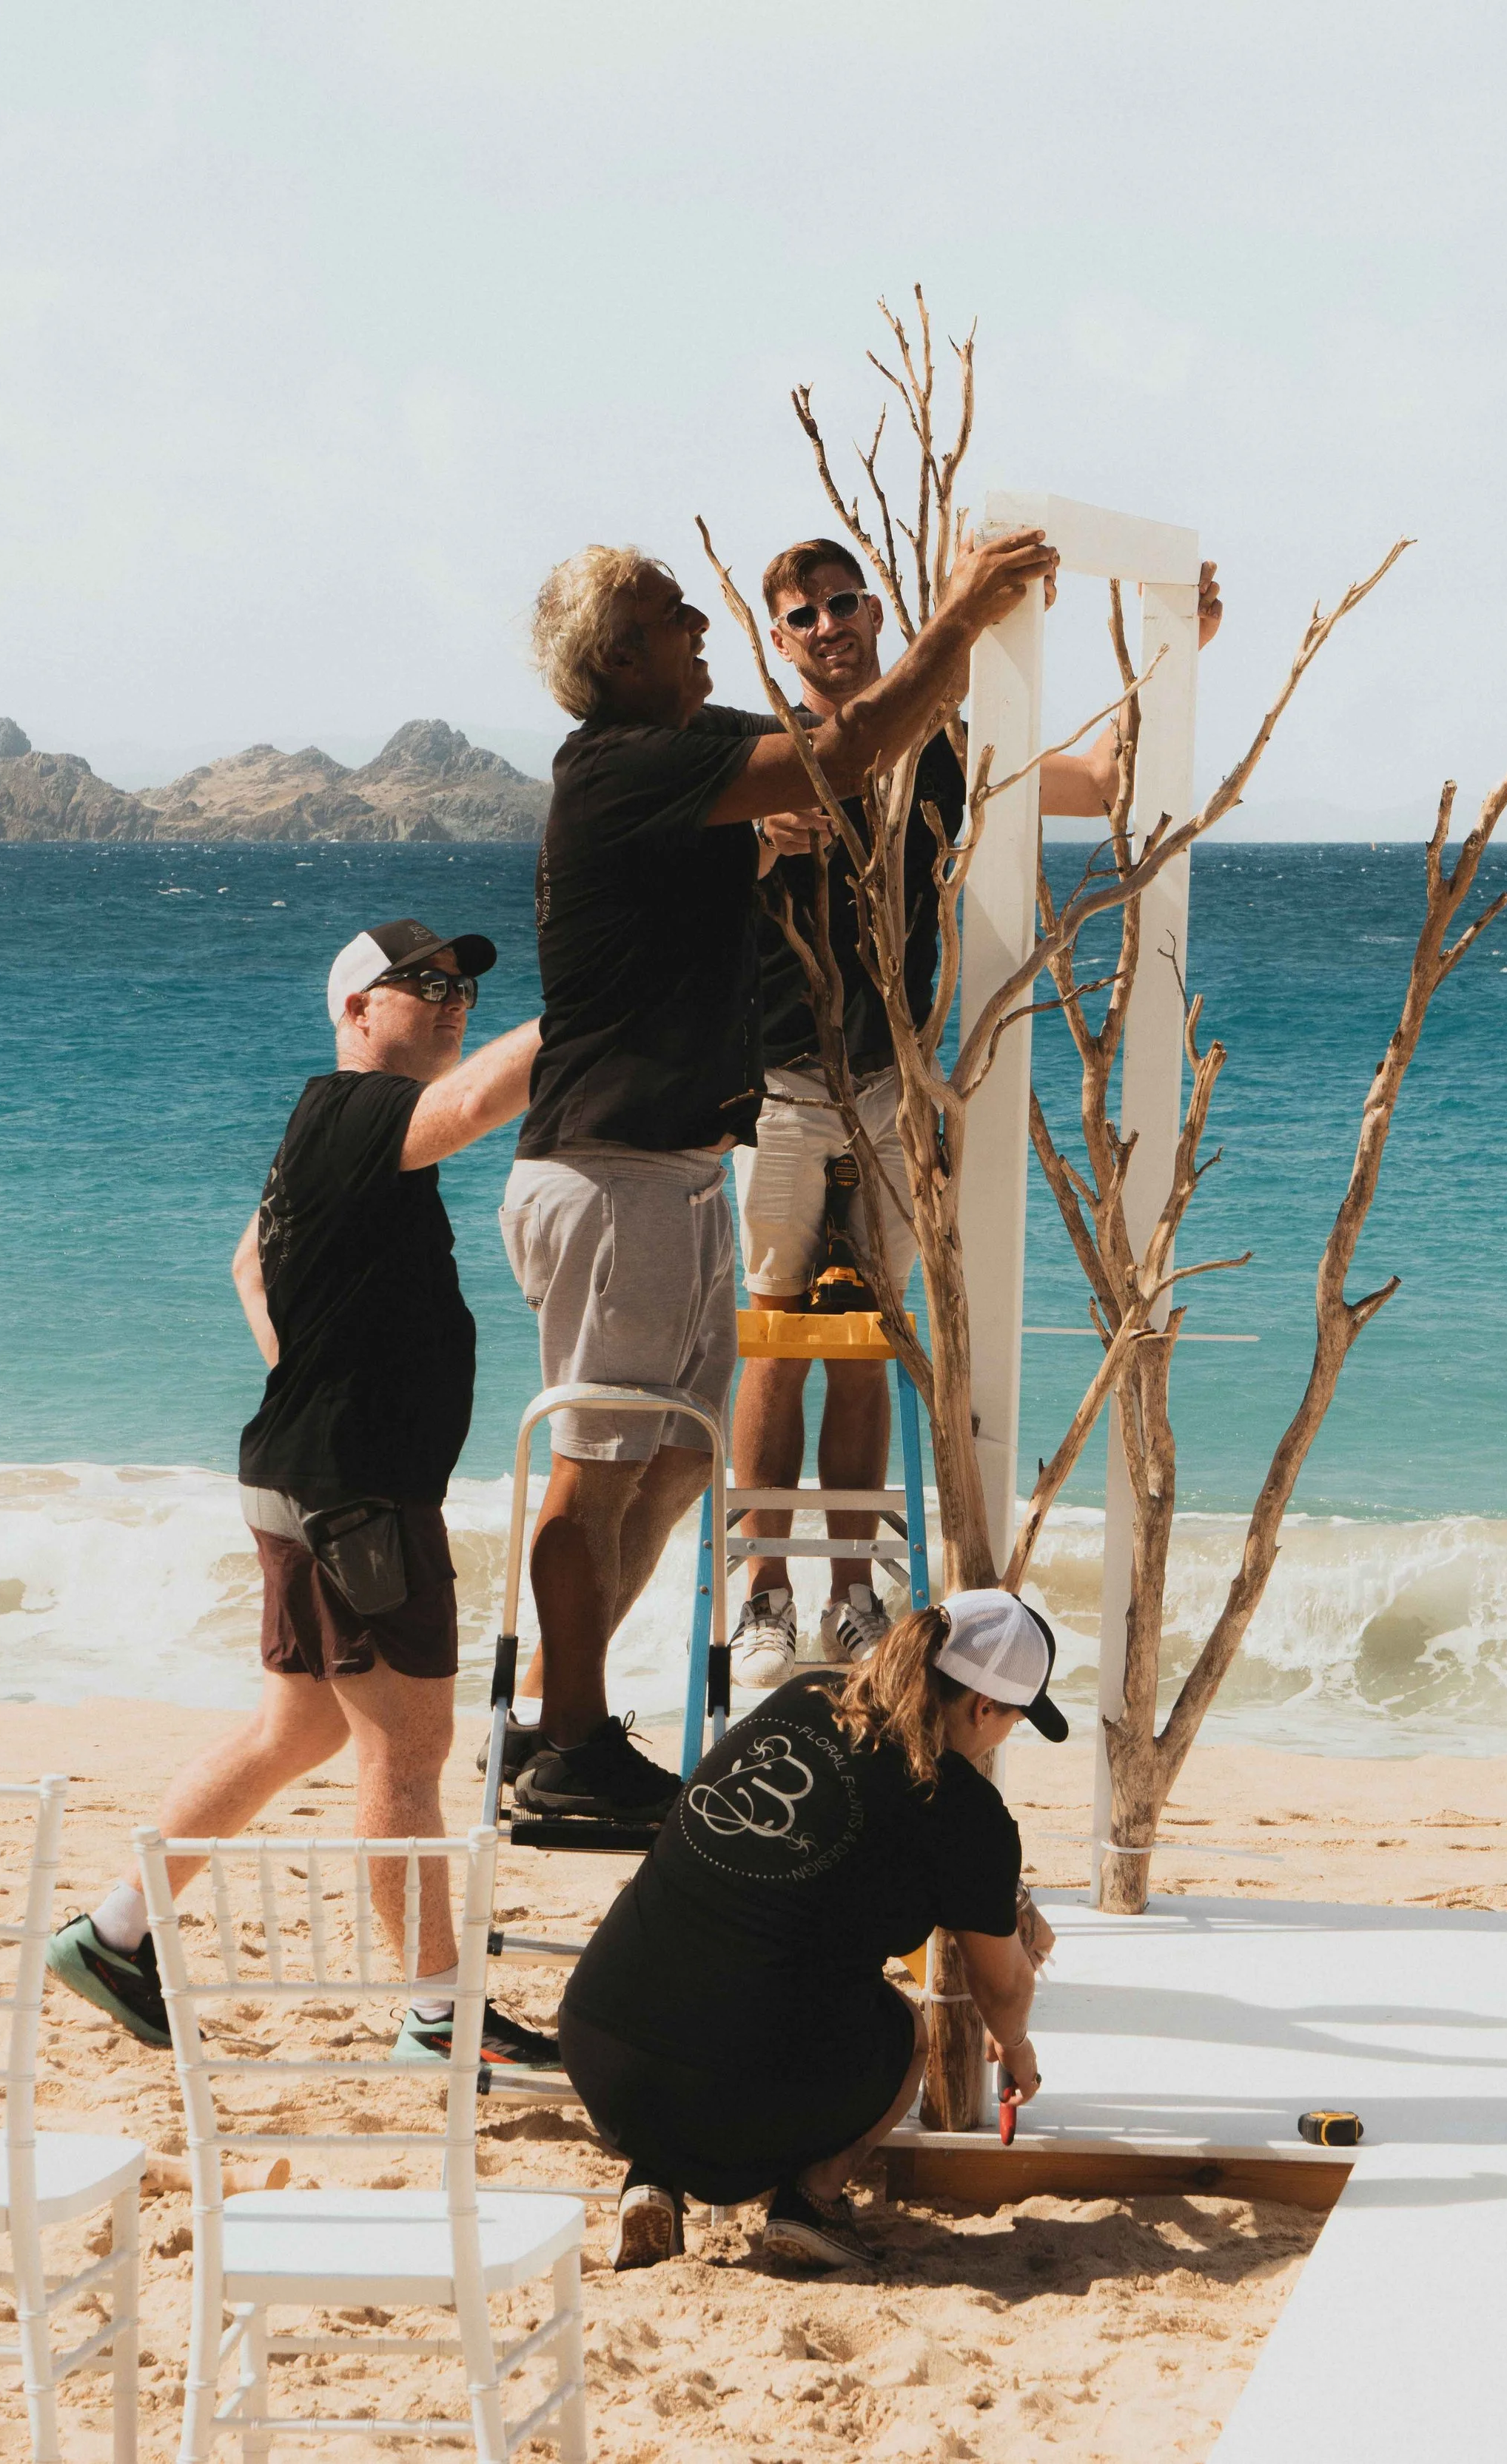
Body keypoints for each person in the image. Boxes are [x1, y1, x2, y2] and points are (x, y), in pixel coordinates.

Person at [493, 528, 1060, 1821]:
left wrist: (761, 848)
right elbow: (850, 751)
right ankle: (569, 1738)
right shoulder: (621, 763)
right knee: (594, 1462)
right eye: (677, 616)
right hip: (608, 1167)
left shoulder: (676, 774)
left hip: (679, 1166)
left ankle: (565, 1721)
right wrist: (965, 607)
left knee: (676, 1460)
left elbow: (743, 843)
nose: (704, 629)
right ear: (622, 658)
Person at [47, 918, 558, 2070]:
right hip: (356, 1494)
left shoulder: (323, 1133)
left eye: (459, 986)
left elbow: (247, 1261)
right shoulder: (354, 1109)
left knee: (303, 1725)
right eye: (417, 983)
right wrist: (602, 1001)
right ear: (355, 1011)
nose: (447, 998)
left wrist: (313, 1373)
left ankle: (116, 1928)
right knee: (407, 1755)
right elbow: (475, 1106)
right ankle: (439, 2013)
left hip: (300, 1474)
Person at [729, 540, 1226, 1683]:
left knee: (874, 1335)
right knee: (774, 1339)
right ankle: (761, 1592)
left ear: (877, 608)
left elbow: (1101, 780)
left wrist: (1172, 655)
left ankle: (854, 1594)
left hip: (900, 1081)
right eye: (804, 615)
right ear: (780, 637)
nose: (829, 627)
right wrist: (761, 837)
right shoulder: (759, 755)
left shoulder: (944, 744)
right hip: (784, 1085)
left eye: (846, 603)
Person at [557, 1587, 1066, 2271]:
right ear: (982, 1706)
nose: (1006, 1734)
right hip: (736, 2088)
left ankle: (653, 2177)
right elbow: (1000, 1987)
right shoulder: (965, 1812)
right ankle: (813, 2201)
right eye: (1014, 1719)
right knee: (905, 2034)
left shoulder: (805, 1696)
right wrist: (1018, 2044)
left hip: (600, 2044)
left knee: (725, 1954)